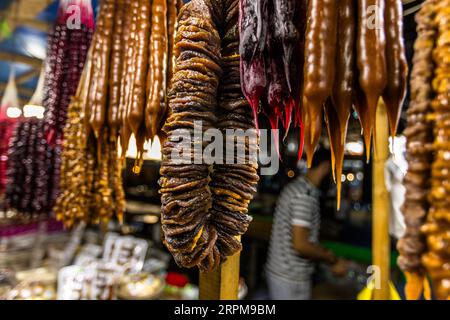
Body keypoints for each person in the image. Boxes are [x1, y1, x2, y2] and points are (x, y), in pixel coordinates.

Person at [265, 147, 349, 300]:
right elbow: (301, 245)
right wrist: (333, 260)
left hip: (283, 273)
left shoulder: (299, 187)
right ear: (325, 167)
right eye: (334, 170)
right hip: (289, 278)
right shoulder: (304, 195)